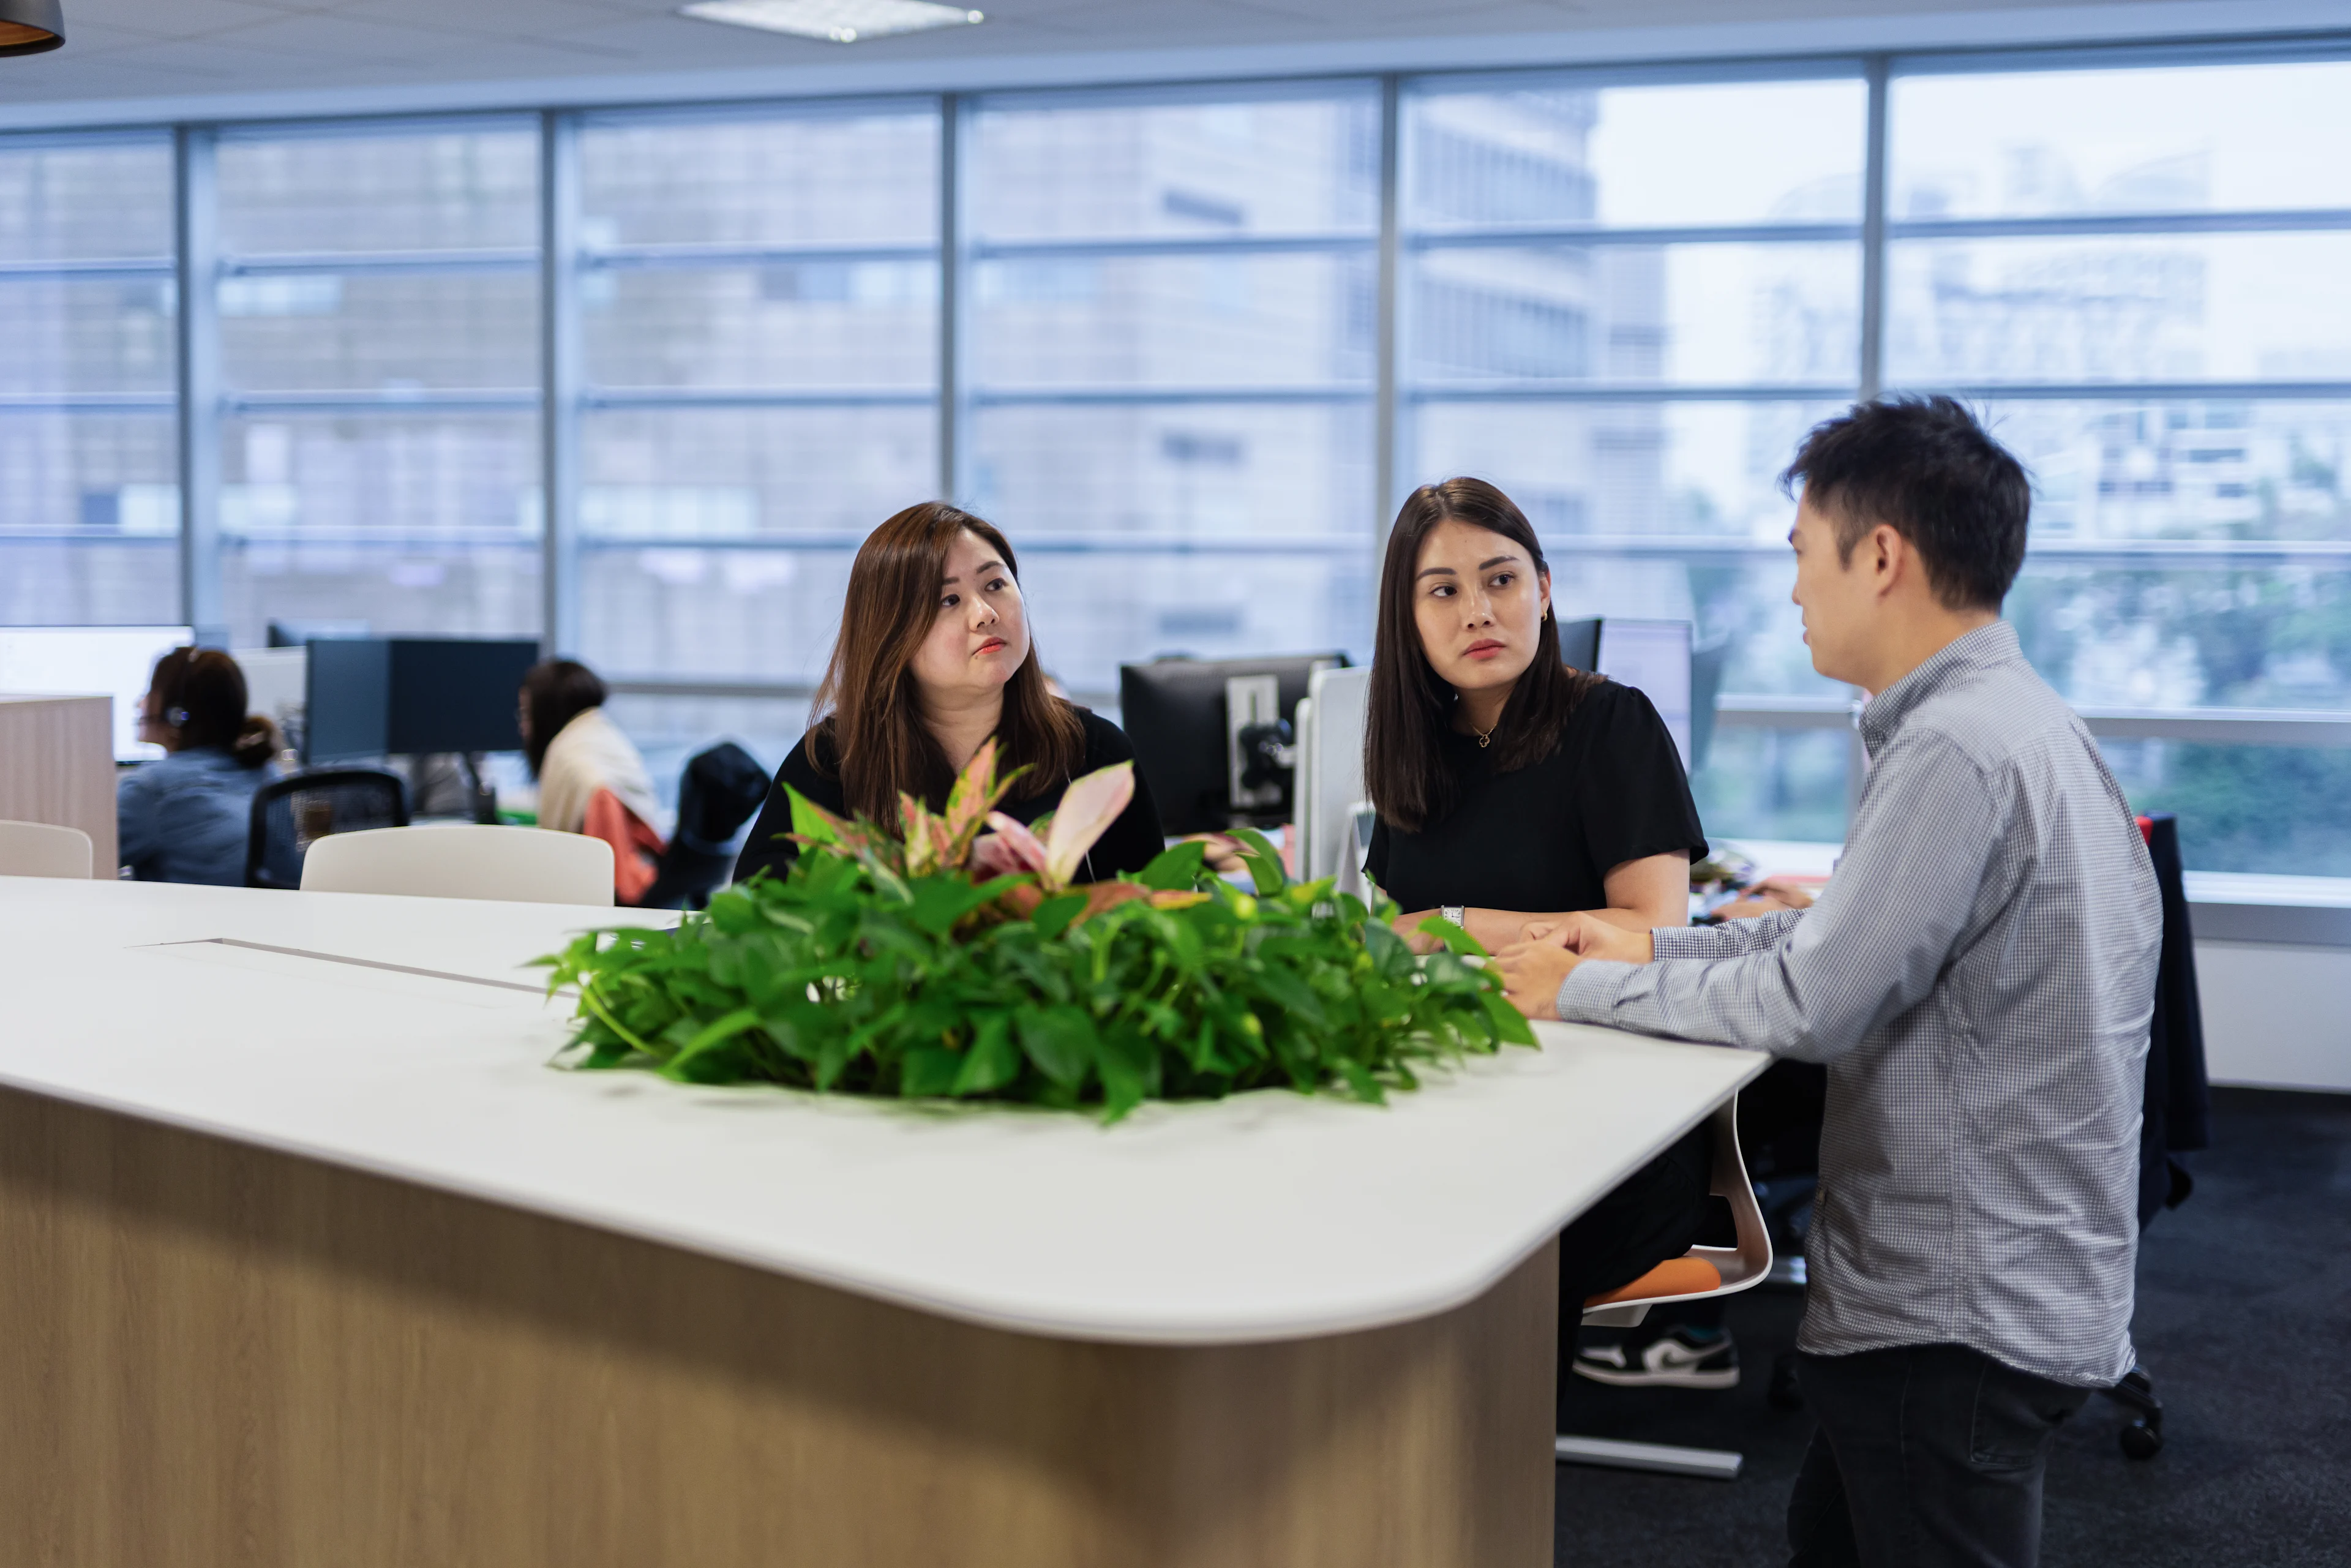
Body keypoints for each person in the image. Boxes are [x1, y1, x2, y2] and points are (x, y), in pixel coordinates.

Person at [1494, 397, 2162, 1568]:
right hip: (1984, 1290)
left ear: (1884, 557)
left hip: (1955, 1309)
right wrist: (1630, 950)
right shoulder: (2005, 725)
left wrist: (1571, 993)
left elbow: (1815, 1001)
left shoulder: (1958, 751)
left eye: (1803, 552)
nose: (1795, 588)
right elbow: (1831, 947)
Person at [1356, 477, 1725, 1419]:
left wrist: (1455, 923)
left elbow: (1652, 938)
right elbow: (1395, 943)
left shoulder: (1611, 725)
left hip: (1609, 1119)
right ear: (1408, 617)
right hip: (1461, 1090)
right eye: (1442, 590)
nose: (1478, 610)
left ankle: (1481, 1485)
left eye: (1501, 579)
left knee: (1484, 1240)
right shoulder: (1415, 753)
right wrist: (1507, 933)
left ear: (1545, 589)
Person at [735, 501, 1165, 885]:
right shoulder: (835, 757)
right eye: (948, 600)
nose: (985, 614)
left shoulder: (1093, 749)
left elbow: (1160, 916)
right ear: (891, 634)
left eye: (995, 585)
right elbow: (760, 921)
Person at [118, 647, 283, 885]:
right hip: (260, 919)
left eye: (151, 692)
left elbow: (83, 860)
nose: (140, 703)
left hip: (192, 921)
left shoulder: (152, 791)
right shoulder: (265, 770)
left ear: (177, 714)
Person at [520, 658, 667, 905]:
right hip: (649, 882)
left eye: (525, 714)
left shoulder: (574, 762)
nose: (523, 728)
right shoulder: (605, 737)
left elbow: (615, 888)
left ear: (545, 713)